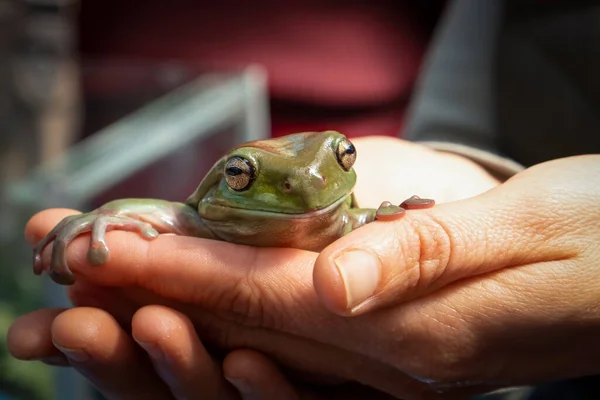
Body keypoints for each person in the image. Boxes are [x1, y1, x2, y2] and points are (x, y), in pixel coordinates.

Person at [8, 0, 600, 399]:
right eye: (242, 175)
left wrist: (427, 200)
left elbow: (366, 216)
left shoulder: (342, 214)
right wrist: (94, 223)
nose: (303, 185)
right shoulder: (195, 220)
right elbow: (150, 212)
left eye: (343, 158)